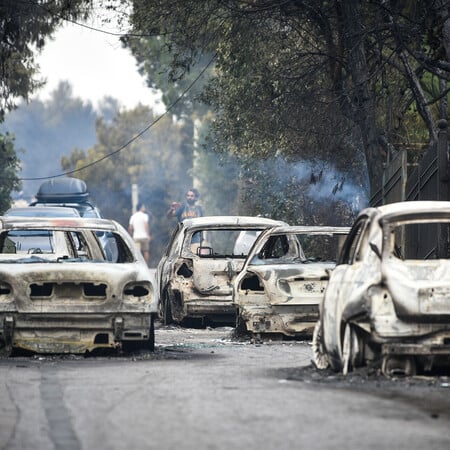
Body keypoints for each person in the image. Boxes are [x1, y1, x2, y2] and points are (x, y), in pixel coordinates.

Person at [167, 188, 204, 253]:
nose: (189, 197)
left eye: (192, 196)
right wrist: (172, 209)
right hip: (182, 238)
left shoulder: (199, 209)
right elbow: (169, 216)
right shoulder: (182, 207)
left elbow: (203, 225)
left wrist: (202, 238)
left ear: (196, 198)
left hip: (195, 239)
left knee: (194, 258)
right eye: (188, 195)